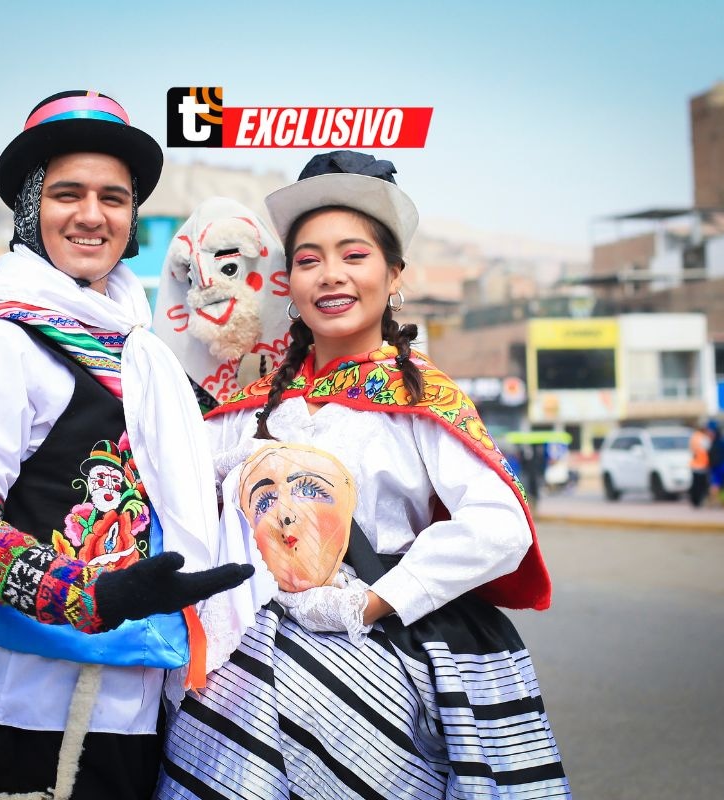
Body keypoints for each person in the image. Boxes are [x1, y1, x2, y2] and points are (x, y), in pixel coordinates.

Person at [157, 151, 569, 799]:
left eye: (354, 255)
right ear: (286, 282)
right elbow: (177, 507)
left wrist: (370, 601)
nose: (331, 276)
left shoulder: (421, 397)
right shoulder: (245, 411)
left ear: (394, 274)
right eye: (309, 259)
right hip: (249, 683)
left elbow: (498, 527)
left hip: (384, 668)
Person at [0, 90, 252, 800]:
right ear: (31, 207)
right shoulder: (1, 343)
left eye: (113, 197)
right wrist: (91, 593)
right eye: (68, 193)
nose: (93, 215)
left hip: (141, 690)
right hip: (40, 708)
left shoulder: (137, 347)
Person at [689, 421, 713, 508]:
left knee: (695, 484)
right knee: (701, 485)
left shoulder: (694, 436)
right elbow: (707, 449)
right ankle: (698, 502)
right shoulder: (703, 438)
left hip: (695, 464)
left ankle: (695, 501)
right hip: (702, 465)